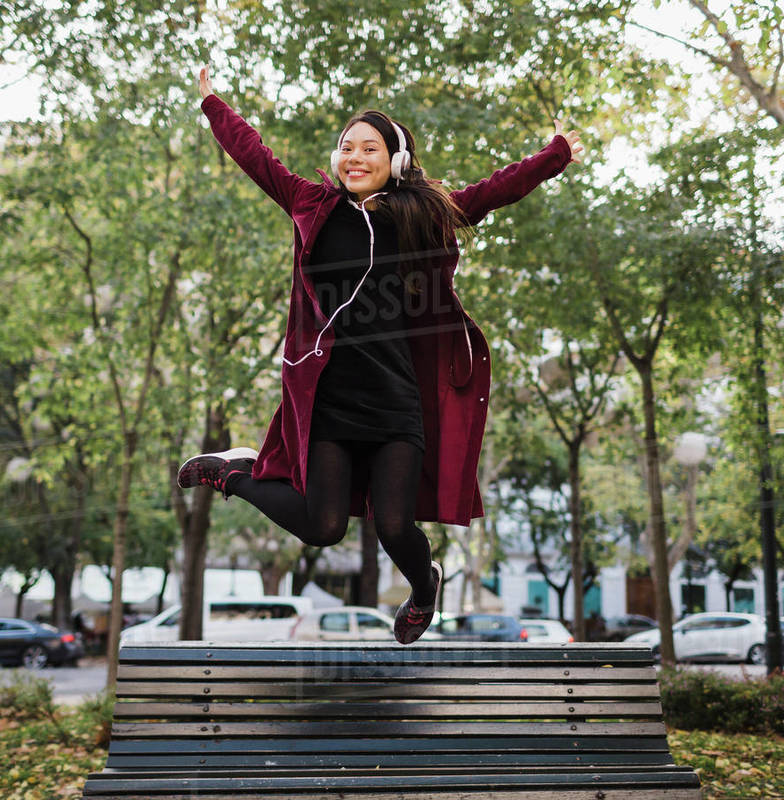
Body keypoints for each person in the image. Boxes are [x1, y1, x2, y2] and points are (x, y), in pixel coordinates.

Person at [179, 66, 583, 645]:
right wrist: (214, 104)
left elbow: (495, 191)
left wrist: (557, 153)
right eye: (347, 147)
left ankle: (425, 588)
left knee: (395, 526)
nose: (354, 156)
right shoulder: (312, 204)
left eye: (370, 148)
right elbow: (256, 157)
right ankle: (233, 473)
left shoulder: (424, 215)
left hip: (396, 399)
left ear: (395, 161)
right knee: (322, 527)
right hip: (331, 399)